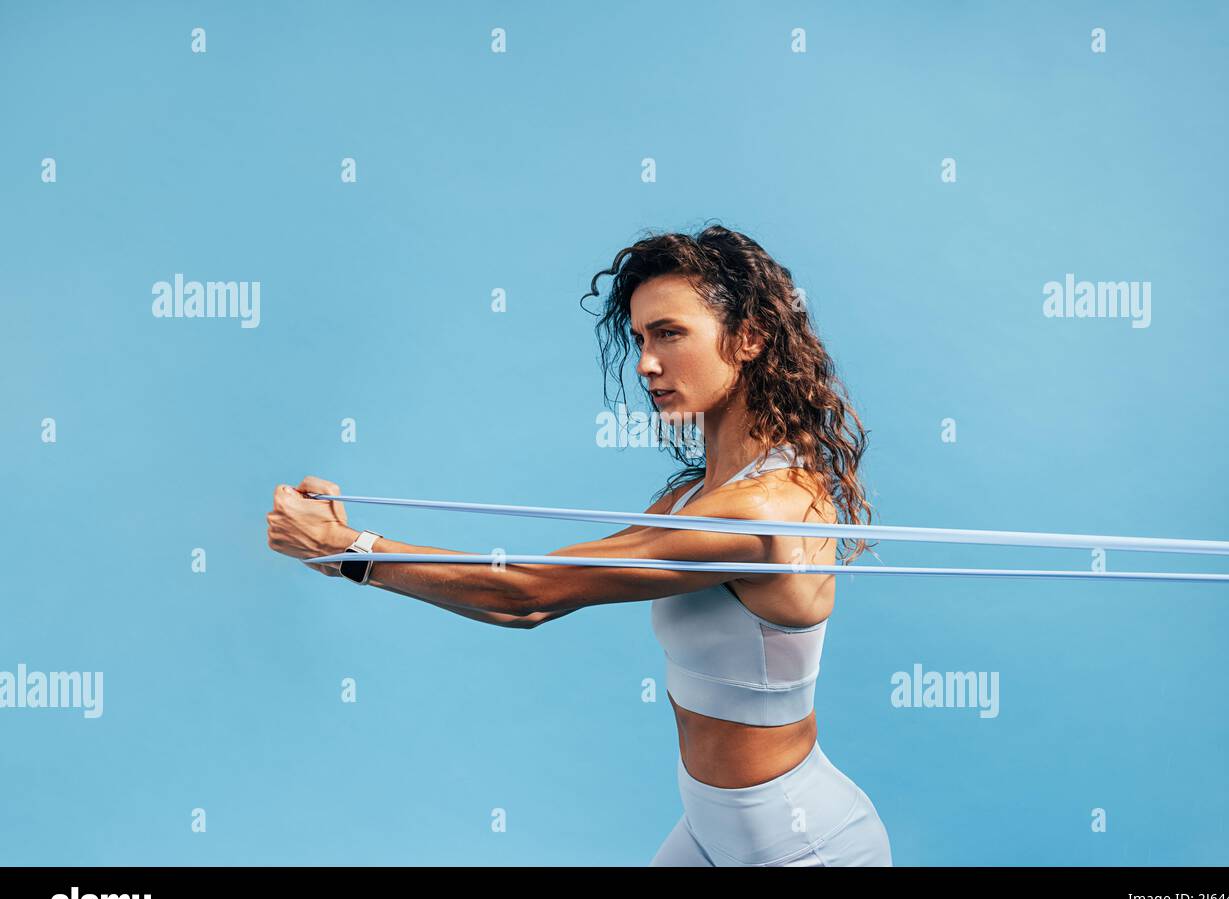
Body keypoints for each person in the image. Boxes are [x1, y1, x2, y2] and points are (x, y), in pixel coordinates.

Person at [267, 224, 892, 866]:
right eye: (641, 338)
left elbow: (525, 589)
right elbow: (532, 608)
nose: (646, 362)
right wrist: (349, 556)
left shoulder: (762, 510)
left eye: (670, 333)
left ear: (751, 336)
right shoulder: (688, 500)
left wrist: (351, 548)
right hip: (712, 833)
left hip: (801, 845)